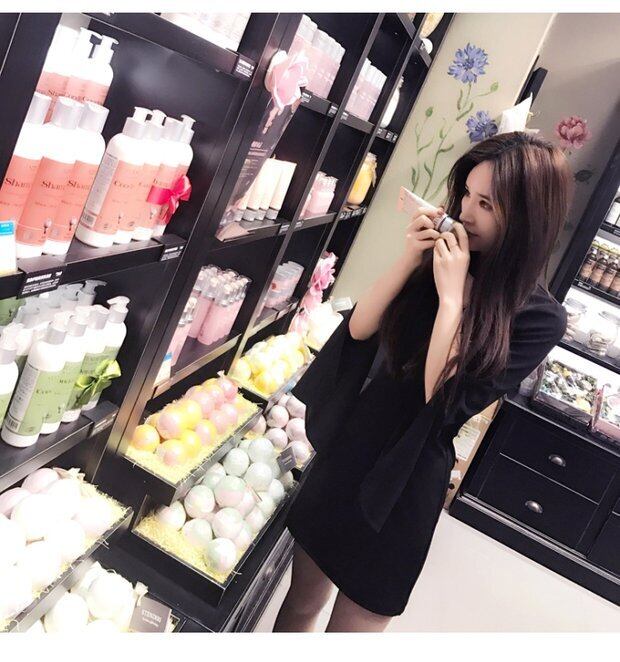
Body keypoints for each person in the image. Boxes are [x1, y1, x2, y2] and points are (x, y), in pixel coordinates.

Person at [272, 131, 574, 633]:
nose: (466, 213)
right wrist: (410, 257)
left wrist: (454, 297)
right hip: (353, 447)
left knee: (356, 626)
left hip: (406, 480)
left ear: (527, 218)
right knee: (301, 602)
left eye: (487, 205)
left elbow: (442, 395)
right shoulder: (444, 255)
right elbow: (360, 330)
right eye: (466, 195)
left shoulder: (538, 316)